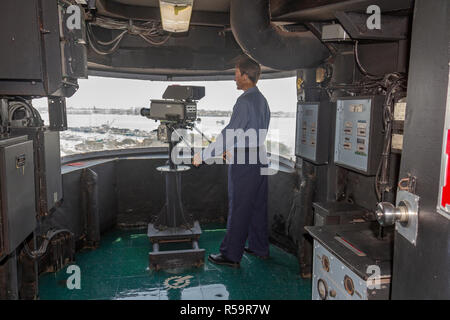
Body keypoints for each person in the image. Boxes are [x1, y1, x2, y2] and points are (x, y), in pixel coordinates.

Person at [192, 56, 271, 268]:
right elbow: (251, 133)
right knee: (257, 206)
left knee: (239, 207)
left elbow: (230, 134)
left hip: (245, 162)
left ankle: (230, 255)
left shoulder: (244, 101)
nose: (234, 78)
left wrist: (204, 155)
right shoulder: (262, 100)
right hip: (260, 157)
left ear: (246, 76)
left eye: (236, 73)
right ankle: (259, 247)